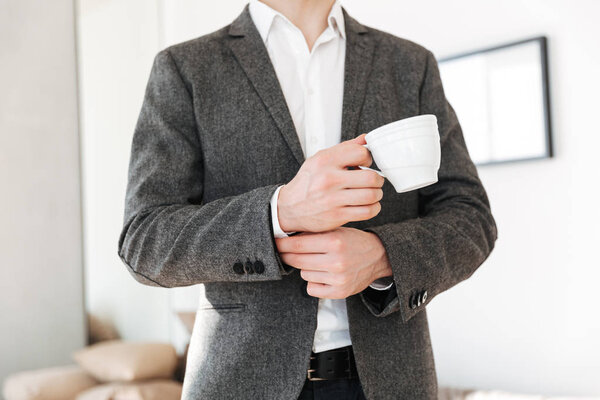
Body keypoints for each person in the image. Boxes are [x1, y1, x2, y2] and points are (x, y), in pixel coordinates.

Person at [117, 0, 497, 398]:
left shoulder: (409, 64)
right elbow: (144, 241)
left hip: (391, 382)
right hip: (241, 381)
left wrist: (383, 257)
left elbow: (471, 219)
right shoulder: (186, 68)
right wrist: (280, 211)